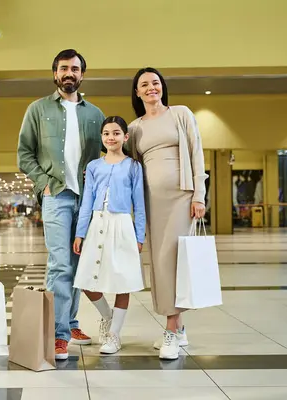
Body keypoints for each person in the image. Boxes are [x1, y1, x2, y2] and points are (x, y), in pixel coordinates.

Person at [17, 49, 106, 360]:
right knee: (59, 264)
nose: (70, 73)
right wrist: (44, 185)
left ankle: (70, 322)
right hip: (57, 196)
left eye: (75, 69)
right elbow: (24, 154)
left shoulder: (95, 115)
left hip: (87, 200)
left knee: (79, 262)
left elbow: (102, 159)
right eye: (64, 68)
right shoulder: (37, 110)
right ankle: (58, 334)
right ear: (55, 73)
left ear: (83, 75)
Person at [127, 67, 207, 360]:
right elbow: (131, 168)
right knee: (159, 264)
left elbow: (197, 153)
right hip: (151, 204)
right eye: (144, 84)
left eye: (155, 83)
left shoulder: (180, 114)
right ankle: (180, 327)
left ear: (162, 87)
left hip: (181, 199)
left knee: (174, 262)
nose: (151, 88)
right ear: (137, 92)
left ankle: (171, 330)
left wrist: (199, 194)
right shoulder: (135, 128)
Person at [73, 116, 146, 355]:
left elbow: (139, 203)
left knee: (122, 282)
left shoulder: (133, 166)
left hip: (122, 225)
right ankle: (108, 317)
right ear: (102, 138)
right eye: (106, 133)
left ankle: (114, 335)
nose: (110, 137)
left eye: (116, 133)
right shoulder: (94, 167)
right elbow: (86, 203)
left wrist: (140, 235)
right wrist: (80, 233)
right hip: (97, 225)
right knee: (86, 279)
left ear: (125, 137)